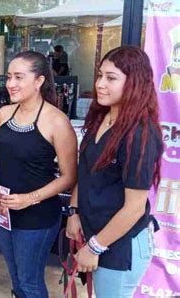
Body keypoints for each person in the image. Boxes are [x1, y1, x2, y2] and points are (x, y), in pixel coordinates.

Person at [0, 51, 77, 298]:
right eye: (9, 77)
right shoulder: (4, 113)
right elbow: (1, 153)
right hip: (2, 209)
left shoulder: (57, 121)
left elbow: (69, 177)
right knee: (15, 278)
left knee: (30, 282)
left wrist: (29, 198)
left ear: (39, 81)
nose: (10, 84)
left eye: (19, 77)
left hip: (36, 217)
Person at [65, 46, 163, 298]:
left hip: (119, 245)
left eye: (111, 78)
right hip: (94, 235)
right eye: (99, 75)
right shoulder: (101, 117)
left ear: (134, 83)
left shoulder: (139, 133)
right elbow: (86, 172)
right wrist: (74, 211)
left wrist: (94, 247)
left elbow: (134, 207)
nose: (100, 84)